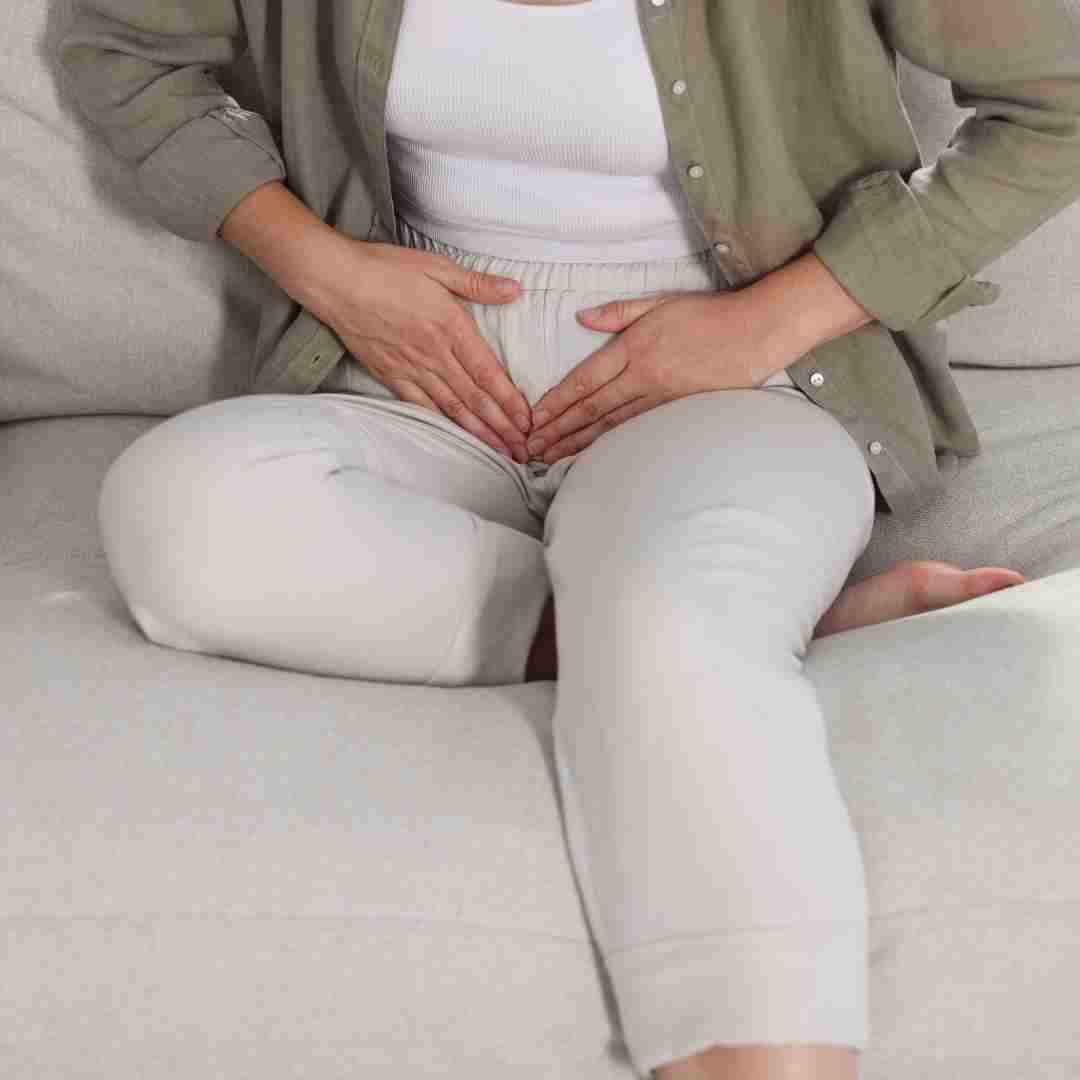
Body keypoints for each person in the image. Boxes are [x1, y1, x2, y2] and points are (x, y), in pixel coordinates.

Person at [61, 0, 1077, 1075]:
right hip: (413, 375)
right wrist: (328, 271)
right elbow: (117, 51)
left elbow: (1058, 102)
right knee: (180, 513)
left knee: (671, 619)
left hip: (729, 380)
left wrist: (768, 321)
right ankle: (761, 619)